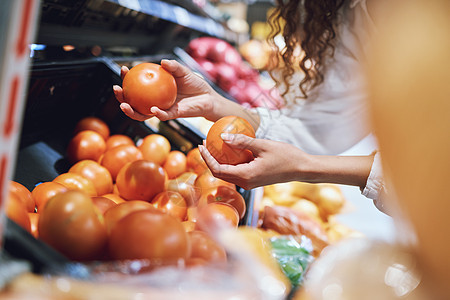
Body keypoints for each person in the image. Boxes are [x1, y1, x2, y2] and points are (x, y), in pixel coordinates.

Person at [113, 0, 387, 211]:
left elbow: (426, 177)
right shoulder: (347, 14)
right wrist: (214, 104)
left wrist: (304, 165)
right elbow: (315, 132)